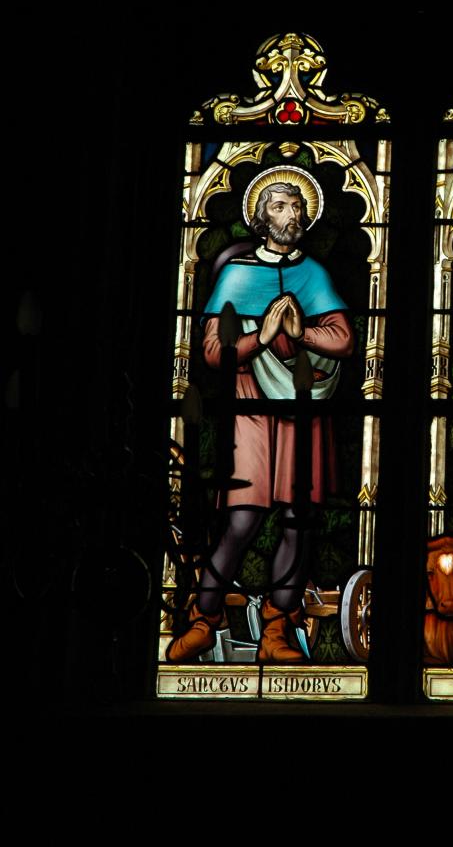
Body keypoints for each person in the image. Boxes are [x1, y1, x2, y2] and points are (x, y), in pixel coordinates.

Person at [166, 171, 354, 665]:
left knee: (297, 521)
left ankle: (277, 627)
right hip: (250, 407)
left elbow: (344, 339)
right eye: (280, 207)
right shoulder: (237, 276)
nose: (292, 215)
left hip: (302, 409)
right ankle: (204, 619)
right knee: (241, 519)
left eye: (297, 206)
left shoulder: (313, 275)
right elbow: (212, 351)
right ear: (260, 217)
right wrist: (263, 338)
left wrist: (301, 331)